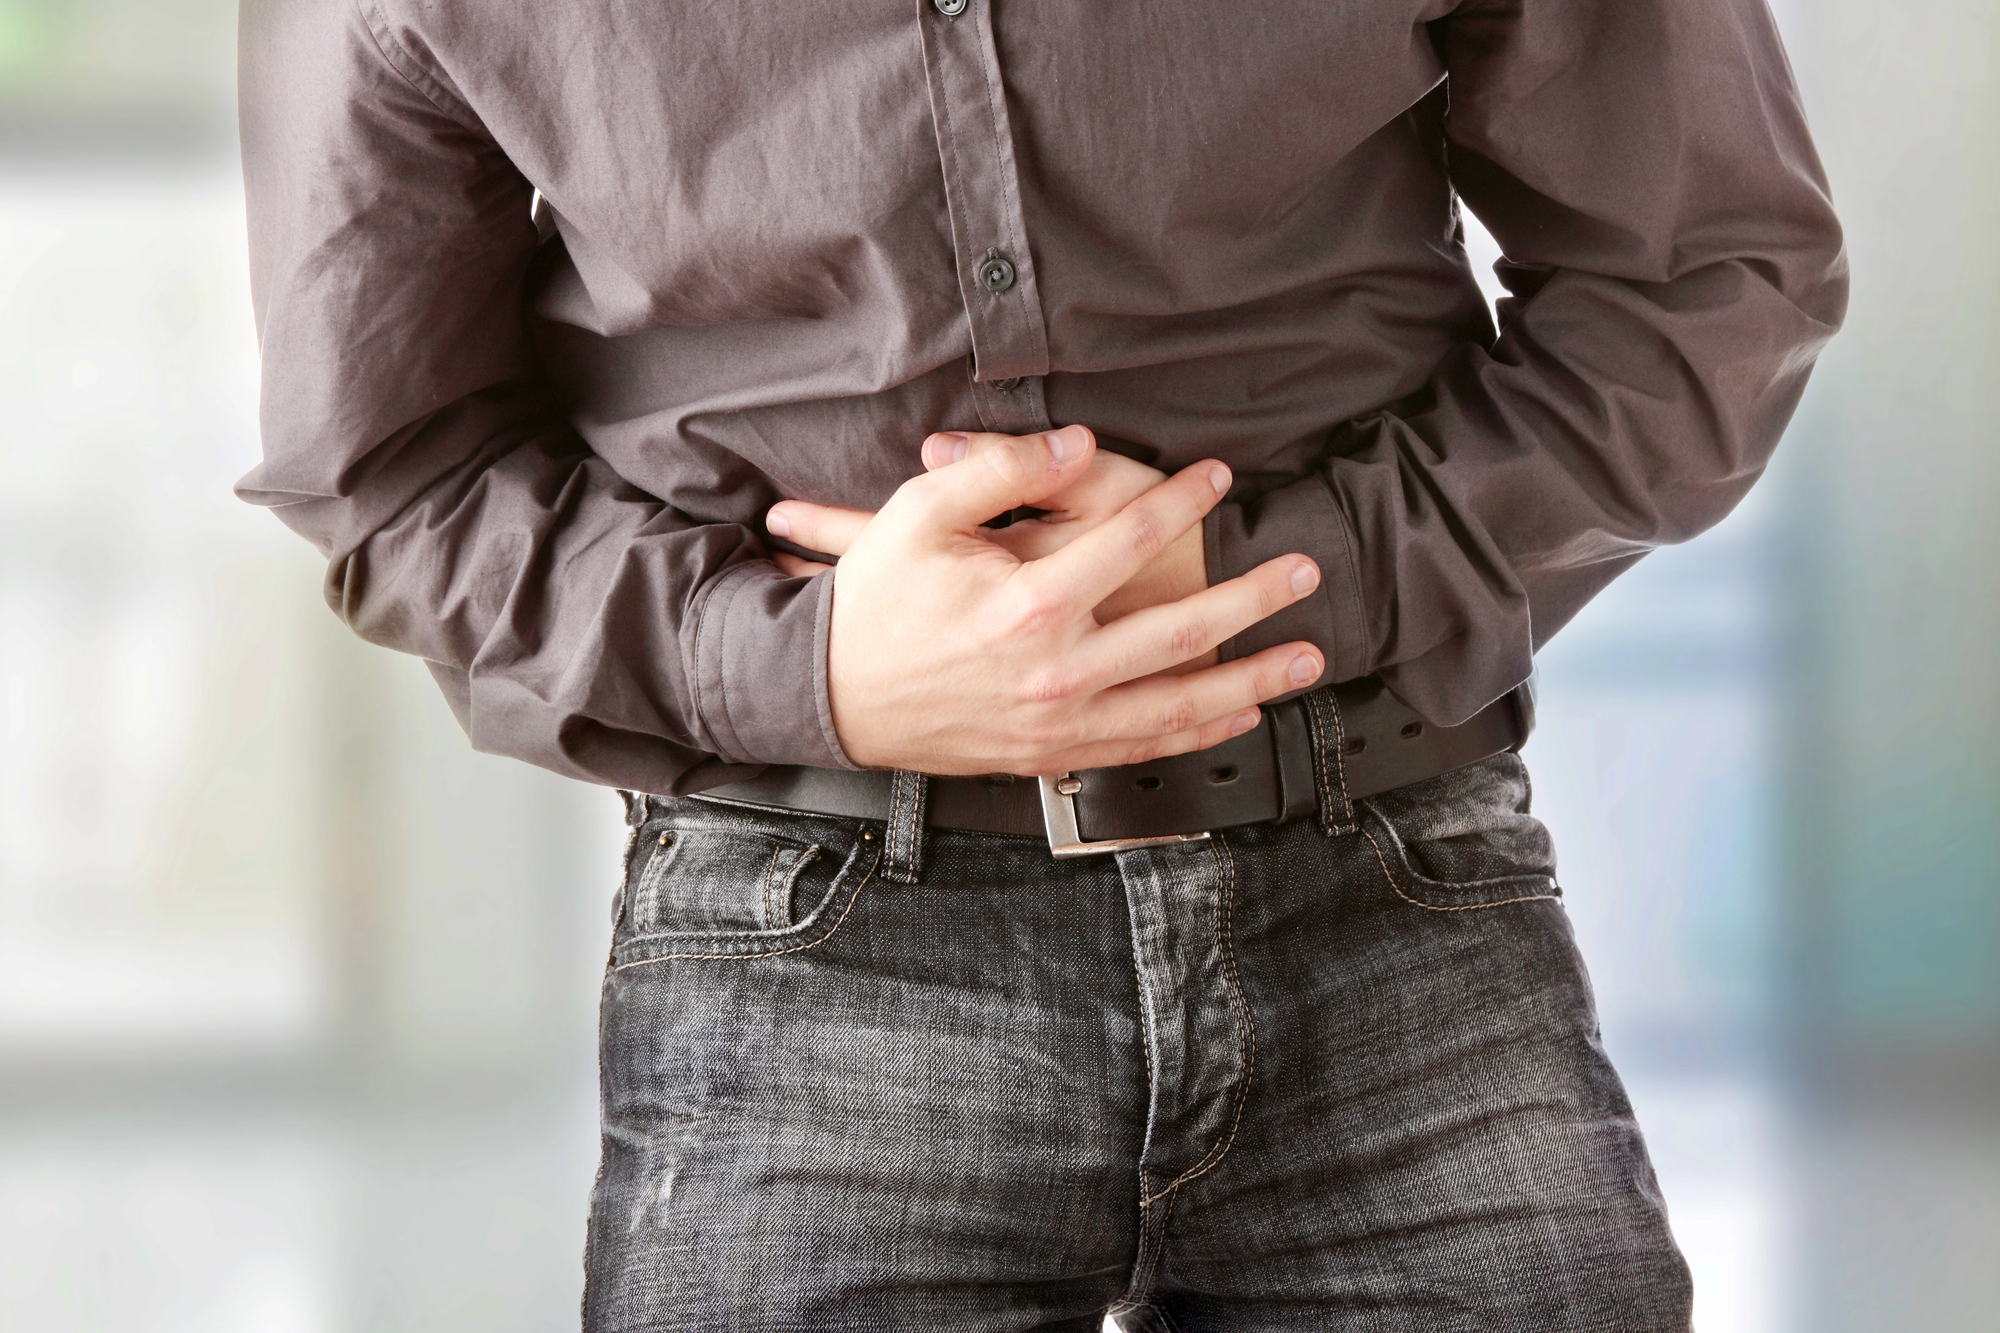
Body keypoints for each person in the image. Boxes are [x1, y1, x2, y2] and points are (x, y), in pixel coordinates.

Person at [237, 0, 1844, 1326]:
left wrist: (1282, 582)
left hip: (1391, 886)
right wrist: (800, 671)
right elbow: (390, 467)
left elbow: (1708, 281)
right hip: (809, 931)